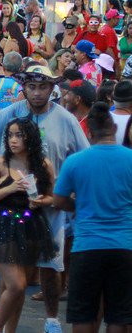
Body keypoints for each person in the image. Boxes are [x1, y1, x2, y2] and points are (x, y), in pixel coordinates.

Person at [0, 64, 90, 333]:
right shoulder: (8, 114)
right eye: (32, 87)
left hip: (50, 209)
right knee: (14, 274)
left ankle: (51, 320)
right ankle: (3, 328)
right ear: (23, 88)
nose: (37, 93)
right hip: (11, 212)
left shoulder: (66, 119)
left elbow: (82, 158)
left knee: (51, 266)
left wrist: (69, 195)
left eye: (43, 87)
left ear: (53, 89)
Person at [53, 102, 132, 333]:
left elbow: (58, 201)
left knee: (83, 314)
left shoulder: (76, 161)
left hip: (87, 246)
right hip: (125, 246)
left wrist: (79, 205)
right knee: (120, 315)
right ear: (115, 130)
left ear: (88, 132)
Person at [0, 118, 57, 333]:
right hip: (1, 223)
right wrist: (11, 188)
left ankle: (8, 331)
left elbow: (53, 197)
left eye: (19, 135)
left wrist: (41, 201)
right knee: (17, 284)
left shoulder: (43, 164)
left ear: (30, 137)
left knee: (17, 289)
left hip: (30, 224)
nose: (13, 140)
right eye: (10, 135)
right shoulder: (0, 162)